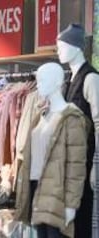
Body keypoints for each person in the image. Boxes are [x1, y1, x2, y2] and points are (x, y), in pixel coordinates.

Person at [15, 62, 88, 238]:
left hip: (56, 195)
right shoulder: (40, 116)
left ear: (57, 82)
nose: (38, 84)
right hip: (35, 190)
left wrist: (71, 205)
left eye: (42, 80)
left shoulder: (72, 117)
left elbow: (76, 167)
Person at [56, 23, 99, 238]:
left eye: (62, 45)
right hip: (69, 167)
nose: (58, 50)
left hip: (86, 163)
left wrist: (96, 165)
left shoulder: (91, 79)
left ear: (76, 47)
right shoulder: (67, 82)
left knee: (82, 221)